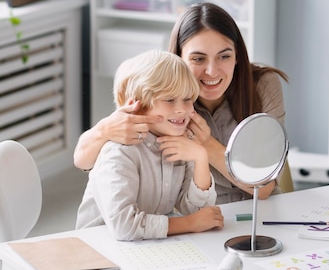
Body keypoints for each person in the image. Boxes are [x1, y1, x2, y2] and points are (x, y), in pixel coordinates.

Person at [74, 2, 291, 204]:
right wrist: (104, 130)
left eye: (224, 56)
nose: (212, 71)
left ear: (237, 56)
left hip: (260, 209)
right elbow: (83, 161)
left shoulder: (262, 86)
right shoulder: (163, 96)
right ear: (178, 58)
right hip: (197, 214)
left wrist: (206, 145)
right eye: (198, 59)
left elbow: (263, 188)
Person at [76, 50, 224, 241]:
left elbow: (196, 210)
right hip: (100, 250)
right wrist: (190, 224)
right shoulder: (120, 151)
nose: (181, 109)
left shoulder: (182, 143)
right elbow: (124, 226)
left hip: (146, 246)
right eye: (169, 99)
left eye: (188, 99)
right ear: (137, 105)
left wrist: (200, 158)